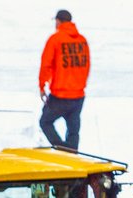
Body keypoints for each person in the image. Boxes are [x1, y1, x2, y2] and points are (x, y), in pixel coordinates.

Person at [38, 9, 90, 152]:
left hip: (61, 95)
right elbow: (86, 65)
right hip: (78, 95)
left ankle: (62, 150)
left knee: (45, 122)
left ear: (58, 21)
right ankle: (71, 154)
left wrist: (42, 86)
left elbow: (46, 65)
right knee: (73, 131)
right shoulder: (82, 40)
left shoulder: (55, 39)